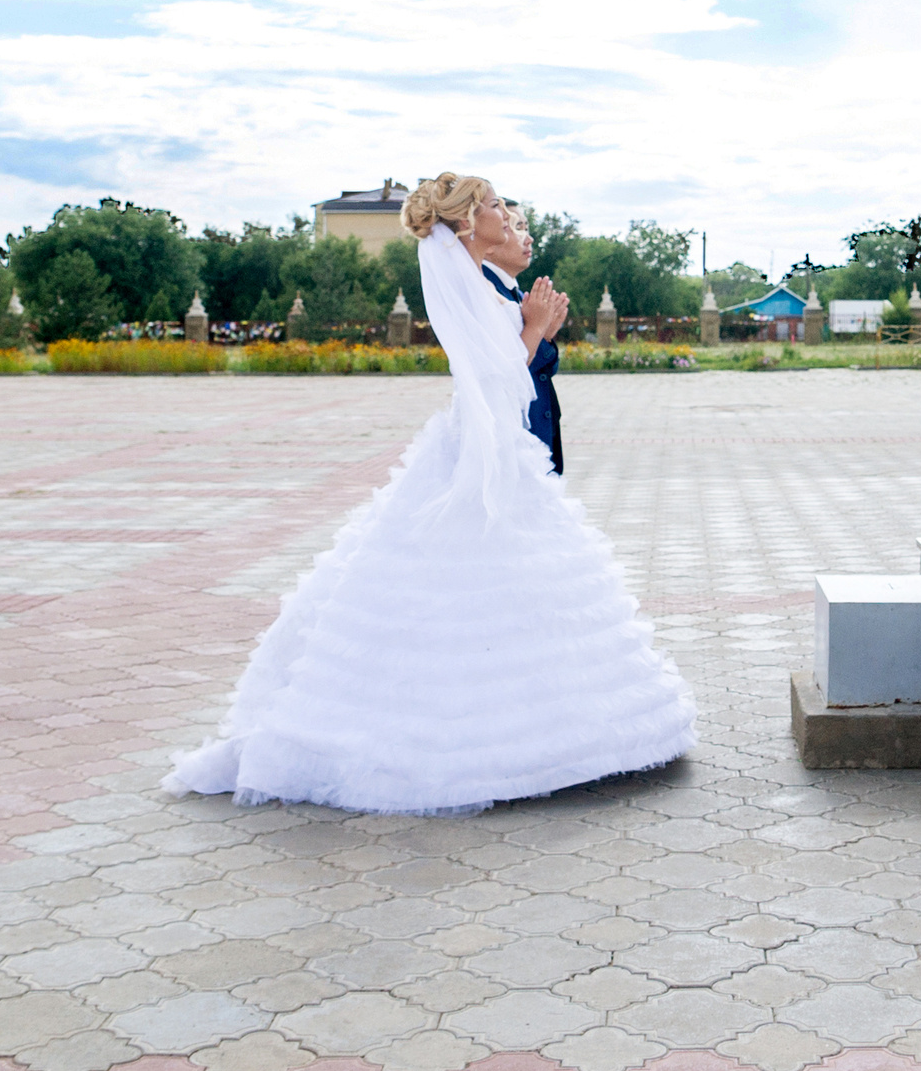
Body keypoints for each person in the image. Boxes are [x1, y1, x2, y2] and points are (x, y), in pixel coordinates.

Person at [165, 172, 695, 816]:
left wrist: (532, 327)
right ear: (469, 224)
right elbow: (493, 376)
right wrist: (534, 329)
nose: (508, 214)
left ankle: (536, 730)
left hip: (498, 444)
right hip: (481, 446)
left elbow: (505, 366)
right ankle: (480, 745)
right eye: (497, 206)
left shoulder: (481, 282)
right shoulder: (468, 286)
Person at [483, 206, 567, 474]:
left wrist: (547, 335)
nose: (528, 238)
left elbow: (541, 368)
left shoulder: (515, 292)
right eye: (517, 228)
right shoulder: (485, 289)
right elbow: (509, 368)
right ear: (490, 242)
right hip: (511, 431)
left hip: (536, 433)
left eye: (527, 228)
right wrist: (539, 328)